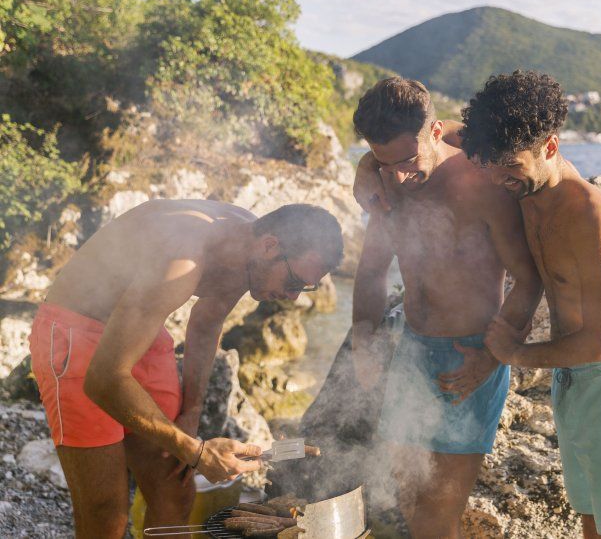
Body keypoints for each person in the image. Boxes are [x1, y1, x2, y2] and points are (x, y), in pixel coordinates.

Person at [30, 201, 344, 537]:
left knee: (176, 492)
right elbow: (104, 379)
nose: (294, 298)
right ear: (270, 246)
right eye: (295, 281)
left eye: (305, 288)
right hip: (77, 335)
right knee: (106, 514)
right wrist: (195, 450)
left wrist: (191, 413)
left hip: (143, 333)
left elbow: (208, 323)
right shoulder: (183, 255)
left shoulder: (249, 250)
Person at [458, 70, 601, 539]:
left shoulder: (593, 215)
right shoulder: (523, 183)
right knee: (592, 524)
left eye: (508, 165)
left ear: (550, 146)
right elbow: (436, 129)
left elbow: (598, 343)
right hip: (572, 380)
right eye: (488, 164)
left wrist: (511, 355)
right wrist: (373, 164)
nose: (496, 178)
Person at [349, 77, 543, 538]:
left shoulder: (483, 185)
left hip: (470, 359)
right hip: (412, 353)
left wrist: (492, 358)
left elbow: (529, 279)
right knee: (411, 501)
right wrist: (363, 342)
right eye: (383, 162)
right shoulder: (386, 182)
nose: (396, 176)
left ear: (436, 132)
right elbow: (372, 272)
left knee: (436, 516)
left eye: (407, 161)